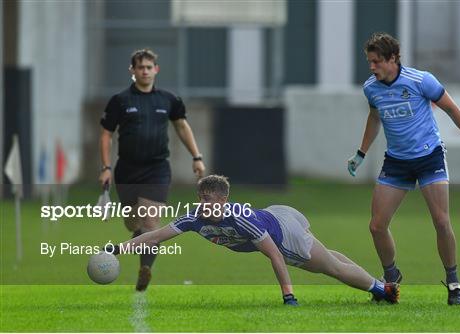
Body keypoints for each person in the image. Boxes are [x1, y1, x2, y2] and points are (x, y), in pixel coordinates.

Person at [347, 32, 460, 305]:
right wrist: (361, 153)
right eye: (369, 62)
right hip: (396, 161)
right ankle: (391, 279)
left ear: (393, 59)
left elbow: (452, 109)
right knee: (377, 226)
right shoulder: (372, 88)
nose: (372, 67)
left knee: (441, 222)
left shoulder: (421, 80)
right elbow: (374, 117)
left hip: (429, 158)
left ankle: (453, 282)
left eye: (377, 61)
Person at [105, 175, 400, 305]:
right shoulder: (194, 218)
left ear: (224, 200)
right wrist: (118, 248)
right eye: (201, 198)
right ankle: (376, 285)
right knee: (329, 258)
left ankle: (383, 290)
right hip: (275, 216)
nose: (203, 204)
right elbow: (157, 235)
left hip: (284, 235)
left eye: (208, 199)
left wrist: (288, 295)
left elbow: (273, 255)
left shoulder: (241, 218)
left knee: (330, 268)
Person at [99, 48, 206, 291]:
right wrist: (105, 167)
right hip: (126, 170)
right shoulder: (120, 101)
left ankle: (145, 268)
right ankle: (139, 240)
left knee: (151, 220)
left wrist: (196, 156)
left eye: (149, 67)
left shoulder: (168, 100)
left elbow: (181, 126)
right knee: (132, 222)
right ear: (132, 71)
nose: (145, 71)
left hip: (157, 169)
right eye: (140, 67)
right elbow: (106, 135)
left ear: (156, 70)